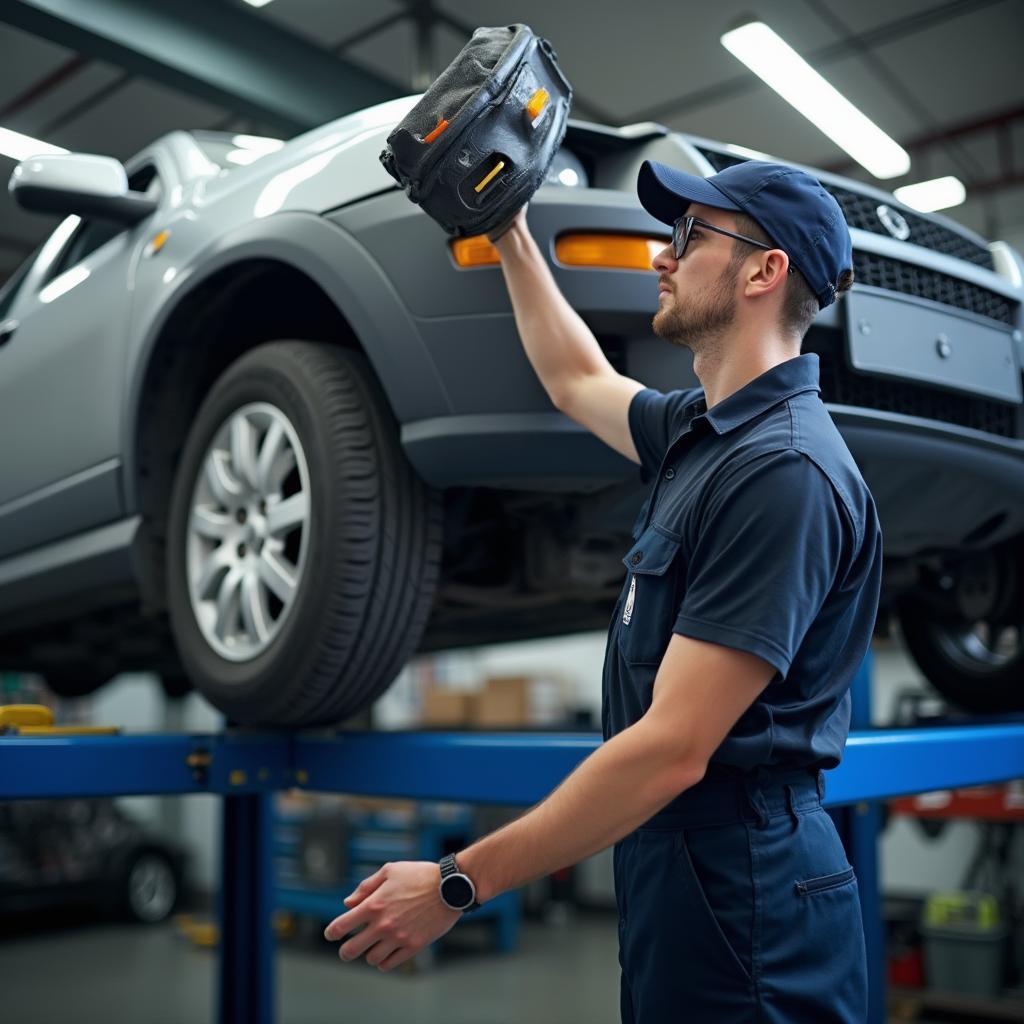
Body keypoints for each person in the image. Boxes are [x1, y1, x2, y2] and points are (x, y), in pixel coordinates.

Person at [324, 158, 882, 1023]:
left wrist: (456, 882)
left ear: (765, 272)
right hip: (683, 861)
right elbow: (575, 381)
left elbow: (672, 749)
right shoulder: (706, 437)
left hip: (749, 884)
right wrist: (508, 230)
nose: (663, 255)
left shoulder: (783, 471)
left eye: (691, 236)